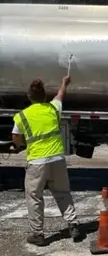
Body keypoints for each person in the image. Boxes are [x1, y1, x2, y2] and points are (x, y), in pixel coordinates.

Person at [11, 75, 81, 246]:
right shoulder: (52, 108)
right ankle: (73, 225)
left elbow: (16, 138)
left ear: (29, 97)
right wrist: (65, 83)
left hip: (37, 162)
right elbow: (60, 95)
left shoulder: (22, 116)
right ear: (44, 96)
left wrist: (21, 145)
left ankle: (38, 234)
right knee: (63, 193)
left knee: (34, 197)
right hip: (57, 159)